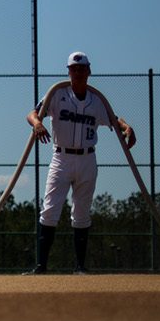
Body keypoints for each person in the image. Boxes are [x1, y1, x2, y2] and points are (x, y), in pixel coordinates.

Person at [23, 51, 136, 274]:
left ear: (89, 71)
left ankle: (80, 266)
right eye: (74, 69)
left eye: (82, 68)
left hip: (87, 158)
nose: (78, 72)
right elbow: (32, 113)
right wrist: (37, 123)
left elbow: (114, 118)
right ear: (68, 71)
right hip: (61, 157)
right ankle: (41, 266)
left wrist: (126, 127)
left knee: (82, 212)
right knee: (50, 210)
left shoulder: (96, 99)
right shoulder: (57, 94)